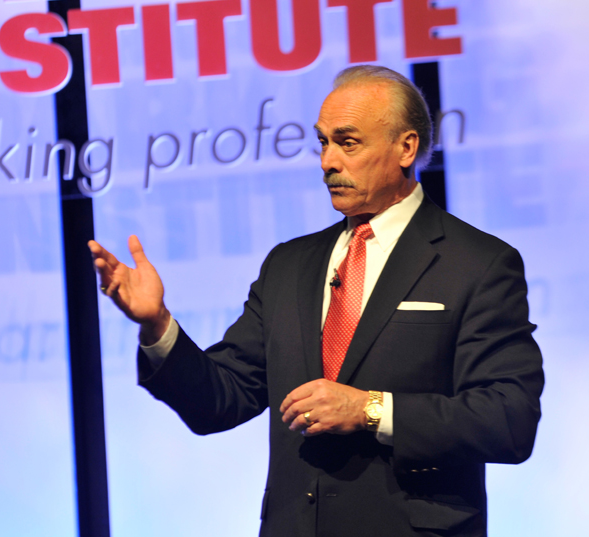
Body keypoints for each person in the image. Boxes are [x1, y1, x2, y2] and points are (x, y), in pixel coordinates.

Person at [88, 65, 544, 537]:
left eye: (348, 143)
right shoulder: (289, 266)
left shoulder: (477, 263)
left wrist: (370, 410)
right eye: (323, 142)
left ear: (406, 148)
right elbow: (219, 401)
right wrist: (158, 325)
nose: (328, 161)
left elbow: (509, 419)